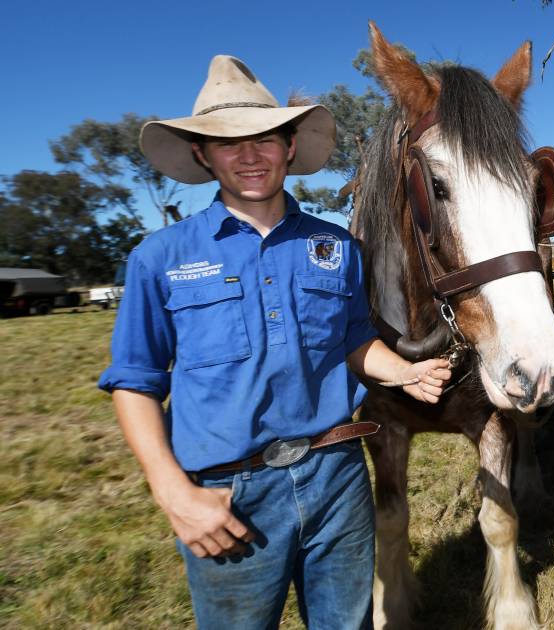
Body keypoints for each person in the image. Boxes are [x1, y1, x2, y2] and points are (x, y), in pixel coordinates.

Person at [98, 55, 451, 629]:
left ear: (289, 147)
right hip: (227, 494)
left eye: (265, 138)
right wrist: (173, 493)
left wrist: (403, 371)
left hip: (337, 475)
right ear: (201, 155)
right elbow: (135, 382)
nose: (248, 155)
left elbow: (352, 341)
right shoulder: (160, 258)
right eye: (227, 143)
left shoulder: (337, 247)